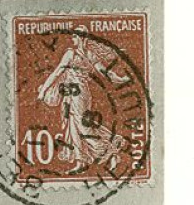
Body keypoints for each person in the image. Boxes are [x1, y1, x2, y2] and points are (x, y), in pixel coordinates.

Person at [36, 28, 128, 175]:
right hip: (75, 94)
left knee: (83, 127)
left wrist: (42, 91)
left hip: (78, 95)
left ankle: (109, 151)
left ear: (81, 37)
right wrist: (120, 79)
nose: (72, 38)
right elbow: (105, 73)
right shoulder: (89, 54)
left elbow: (57, 73)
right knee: (74, 126)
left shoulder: (71, 54)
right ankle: (81, 162)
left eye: (75, 36)